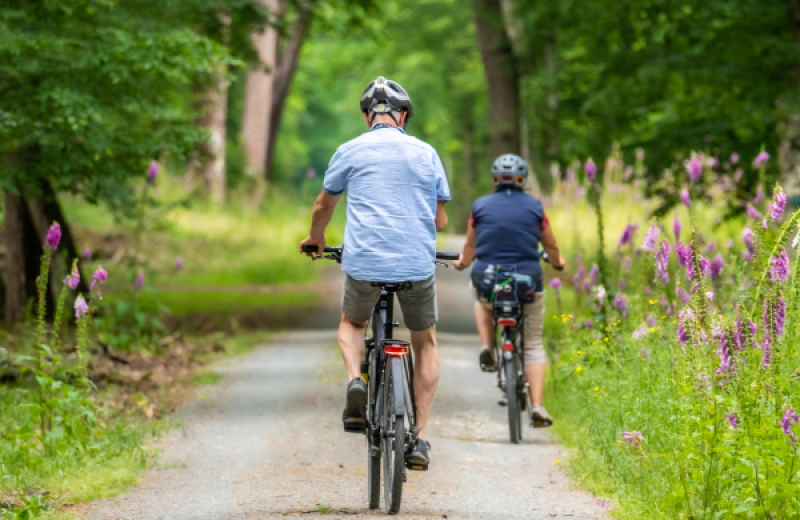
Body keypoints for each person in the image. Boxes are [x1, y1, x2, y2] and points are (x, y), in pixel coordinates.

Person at [299, 76, 450, 465]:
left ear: (368, 116)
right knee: (425, 341)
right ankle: (419, 438)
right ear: (403, 116)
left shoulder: (349, 149)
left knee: (352, 324)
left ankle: (355, 380)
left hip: (364, 262)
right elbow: (441, 220)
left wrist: (317, 239)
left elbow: (323, 205)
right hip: (416, 264)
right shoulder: (426, 153)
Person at [452, 154, 565, 428]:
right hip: (527, 281)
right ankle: (537, 405)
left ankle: (487, 345)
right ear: (522, 179)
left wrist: (463, 262)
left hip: (489, 280)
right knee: (534, 344)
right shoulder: (536, 207)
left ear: (494, 179)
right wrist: (559, 263)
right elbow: (550, 246)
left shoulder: (480, 206)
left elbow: (470, 247)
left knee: (479, 298)